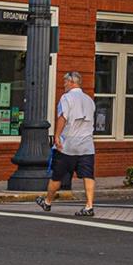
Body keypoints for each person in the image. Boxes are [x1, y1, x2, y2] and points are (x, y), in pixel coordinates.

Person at [38, 70, 96, 216]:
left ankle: (47, 202)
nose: (64, 85)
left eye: (65, 82)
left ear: (71, 82)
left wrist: (57, 136)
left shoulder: (66, 98)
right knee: (88, 175)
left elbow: (63, 117)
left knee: (57, 175)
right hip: (87, 145)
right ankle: (89, 206)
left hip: (69, 145)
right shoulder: (89, 100)